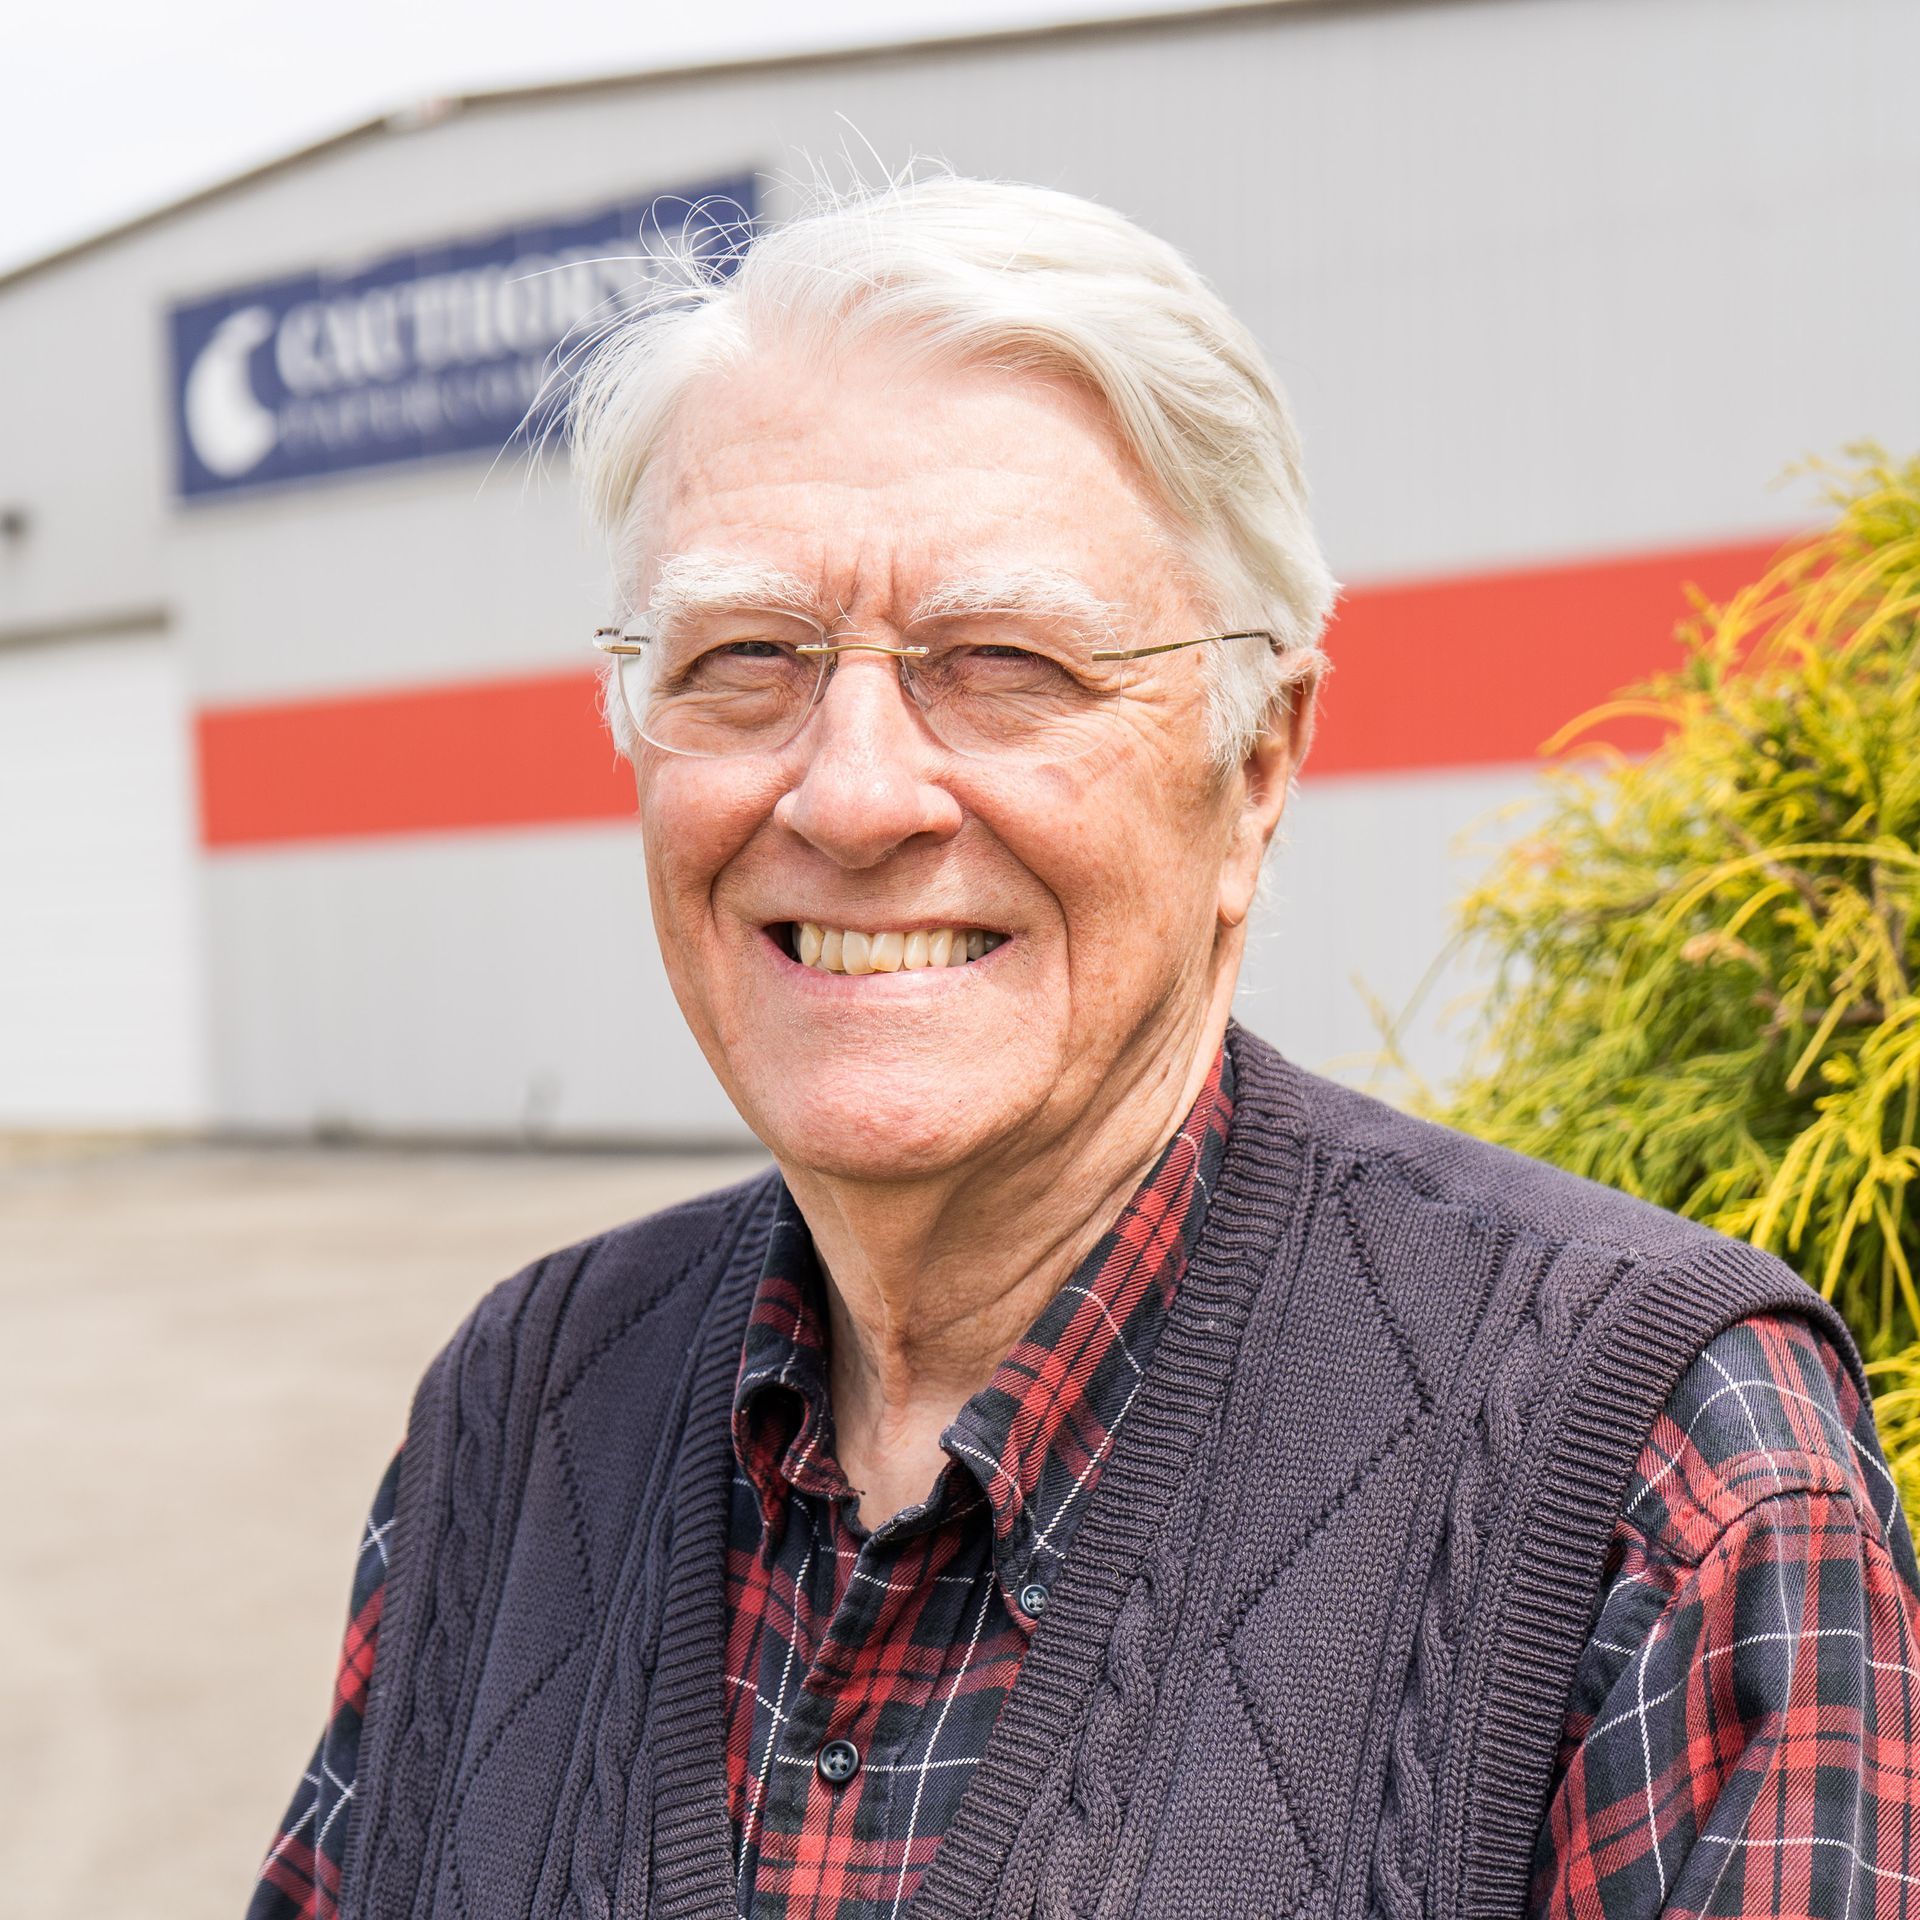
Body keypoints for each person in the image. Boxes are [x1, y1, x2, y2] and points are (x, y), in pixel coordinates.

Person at [249, 175, 1920, 1920]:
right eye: (745, 657)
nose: (856, 792)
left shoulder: (1666, 1471)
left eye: (1005, 662)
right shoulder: (520, 1411)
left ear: (1256, 767)